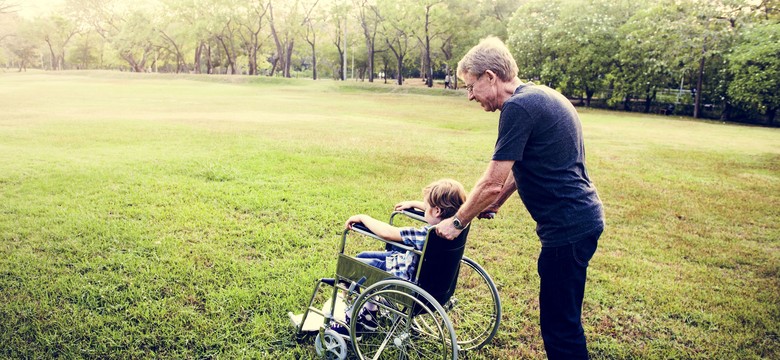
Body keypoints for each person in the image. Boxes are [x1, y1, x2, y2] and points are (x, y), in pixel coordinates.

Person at [436, 36, 605, 359]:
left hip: (567, 228)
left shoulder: (518, 107)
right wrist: (498, 203)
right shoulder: (541, 95)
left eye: (471, 86)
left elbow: (491, 181)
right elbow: (518, 167)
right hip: (582, 220)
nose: (470, 96)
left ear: (490, 77)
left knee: (561, 326)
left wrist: (457, 222)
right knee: (563, 317)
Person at [330, 178, 467, 339]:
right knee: (361, 257)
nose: (424, 209)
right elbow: (435, 210)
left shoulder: (427, 235)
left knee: (353, 269)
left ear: (437, 211)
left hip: (402, 279)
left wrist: (363, 218)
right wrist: (415, 204)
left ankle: (347, 320)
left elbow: (388, 233)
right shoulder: (459, 226)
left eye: (426, 206)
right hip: (429, 283)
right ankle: (370, 314)